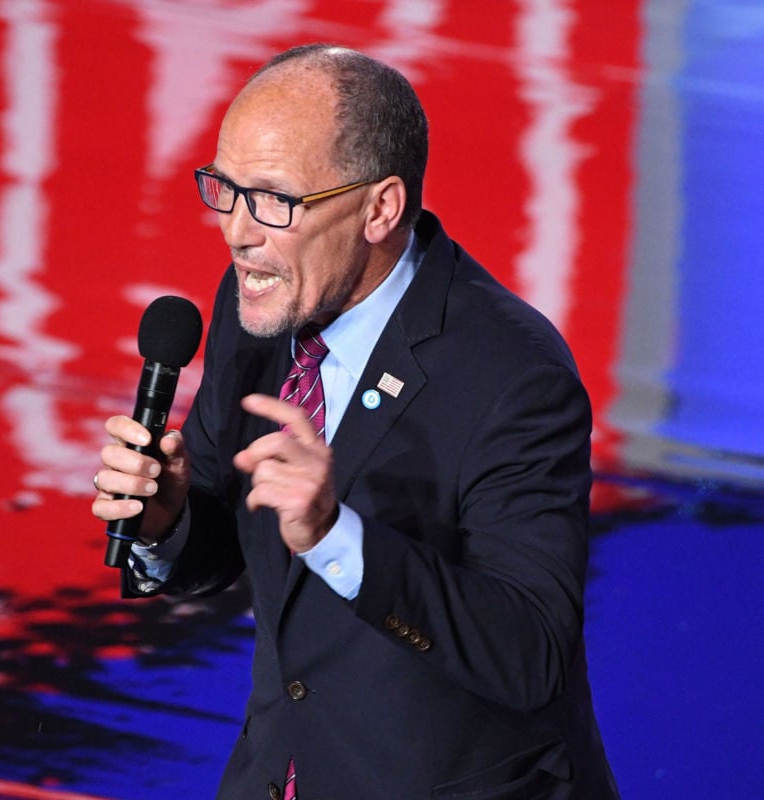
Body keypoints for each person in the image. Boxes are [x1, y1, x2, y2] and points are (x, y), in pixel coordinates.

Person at [91, 44, 618, 799]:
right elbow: (222, 534)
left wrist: (337, 536)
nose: (237, 231)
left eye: (273, 199)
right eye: (225, 189)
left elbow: (529, 653)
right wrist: (168, 523)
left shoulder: (514, 376)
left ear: (380, 208)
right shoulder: (262, 307)